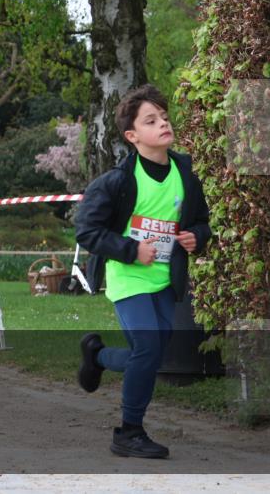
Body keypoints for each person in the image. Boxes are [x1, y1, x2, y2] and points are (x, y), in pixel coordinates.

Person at [74, 84, 212, 459]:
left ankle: (97, 356)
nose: (163, 123)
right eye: (151, 120)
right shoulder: (118, 182)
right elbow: (87, 230)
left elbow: (202, 221)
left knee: (149, 354)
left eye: (164, 117)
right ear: (133, 136)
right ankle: (128, 431)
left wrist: (195, 237)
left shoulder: (185, 172)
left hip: (167, 279)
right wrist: (132, 249)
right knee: (148, 349)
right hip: (128, 277)